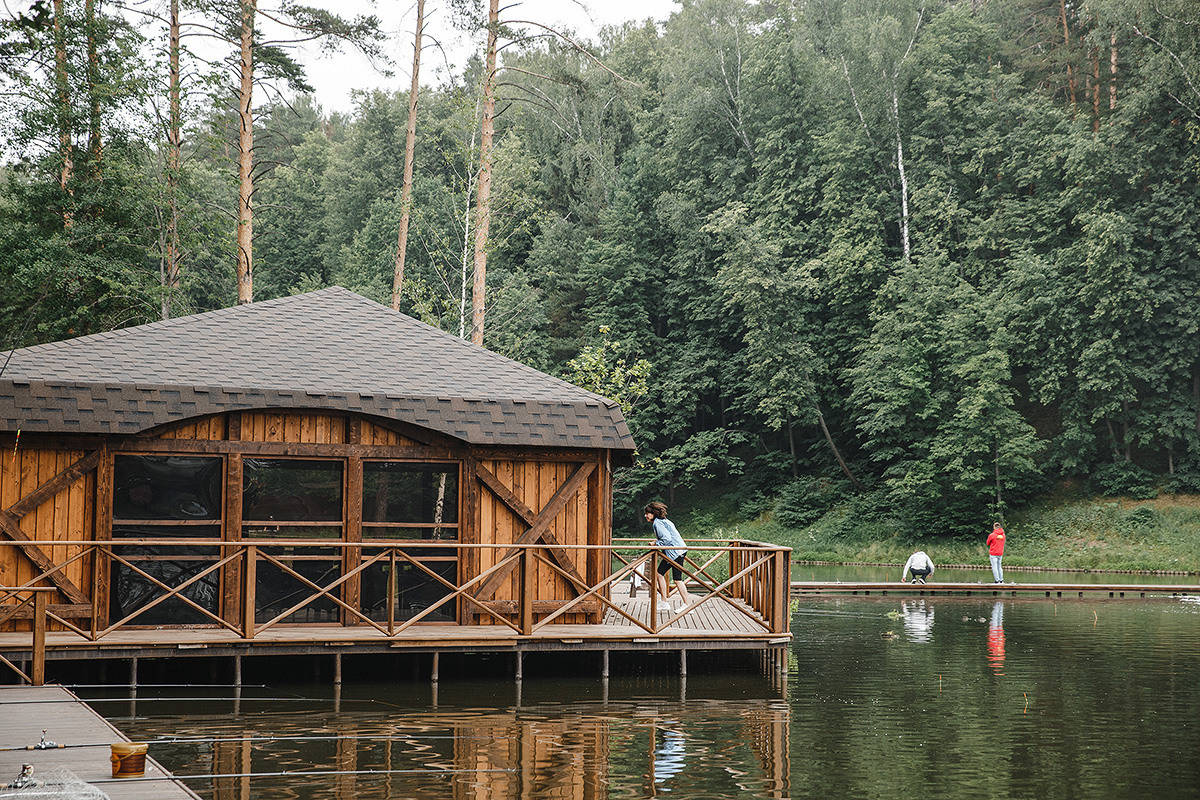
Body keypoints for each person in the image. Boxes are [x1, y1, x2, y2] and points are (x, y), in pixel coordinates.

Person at [644, 501, 693, 610]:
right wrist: (656, 542)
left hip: (676, 552)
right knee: (659, 574)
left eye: (647, 513)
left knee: (677, 579)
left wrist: (656, 543)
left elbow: (666, 539)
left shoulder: (658, 523)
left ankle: (687, 605)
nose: (645, 516)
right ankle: (664, 602)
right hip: (676, 551)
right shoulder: (664, 521)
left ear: (653, 513)